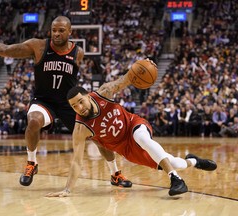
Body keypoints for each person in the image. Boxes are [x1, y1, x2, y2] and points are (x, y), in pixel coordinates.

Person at [0, 16, 132, 187]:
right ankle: (32, 163)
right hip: (44, 100)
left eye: (61, 30)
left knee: (99, 137)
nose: (56, 34)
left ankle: (115, 174)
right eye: (54, 30)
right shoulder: (37, 46)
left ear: (70, 32)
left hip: (70, 104)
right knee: (34, 121)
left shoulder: (78, 53)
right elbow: (4, 49)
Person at [45, 63, 217, 197]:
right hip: (125, 149)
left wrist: (143, 64)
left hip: (133, 124)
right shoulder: (80, 128)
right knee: (175, 163)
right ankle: (194, 162)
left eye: (80, 101)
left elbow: (127, 78)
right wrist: (67, 190)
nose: (79, 107)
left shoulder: (104, 92)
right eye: (74, 106)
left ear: (88, 96)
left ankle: (175, 179)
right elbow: (76, 161)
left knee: (142, 138)